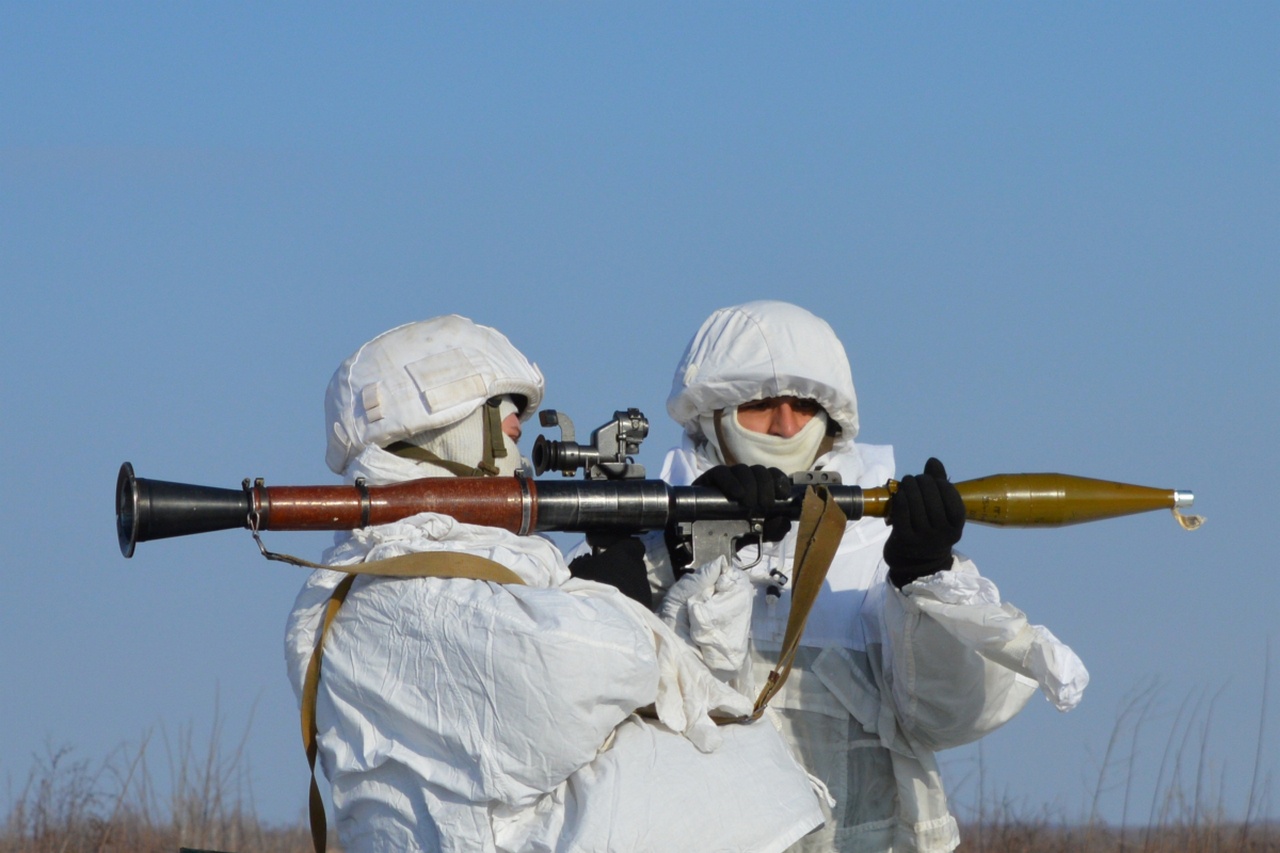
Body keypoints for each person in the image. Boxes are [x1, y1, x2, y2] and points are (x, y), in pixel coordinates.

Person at [283, 315, 826, 853]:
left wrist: (696, 571)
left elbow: (688, 700)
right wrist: (612, 591)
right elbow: (587, 668)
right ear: (440, 428)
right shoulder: (396, 593)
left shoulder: (460, 565)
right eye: (507, 430)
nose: (520, 448)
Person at [646, 300, 1089, 853]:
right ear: (711, 414)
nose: (786, 426)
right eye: (759, 406)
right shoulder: (643, 534)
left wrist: (922, 577)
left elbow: (953, 715)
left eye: (804, 406)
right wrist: (682, 553)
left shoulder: (879, 540)